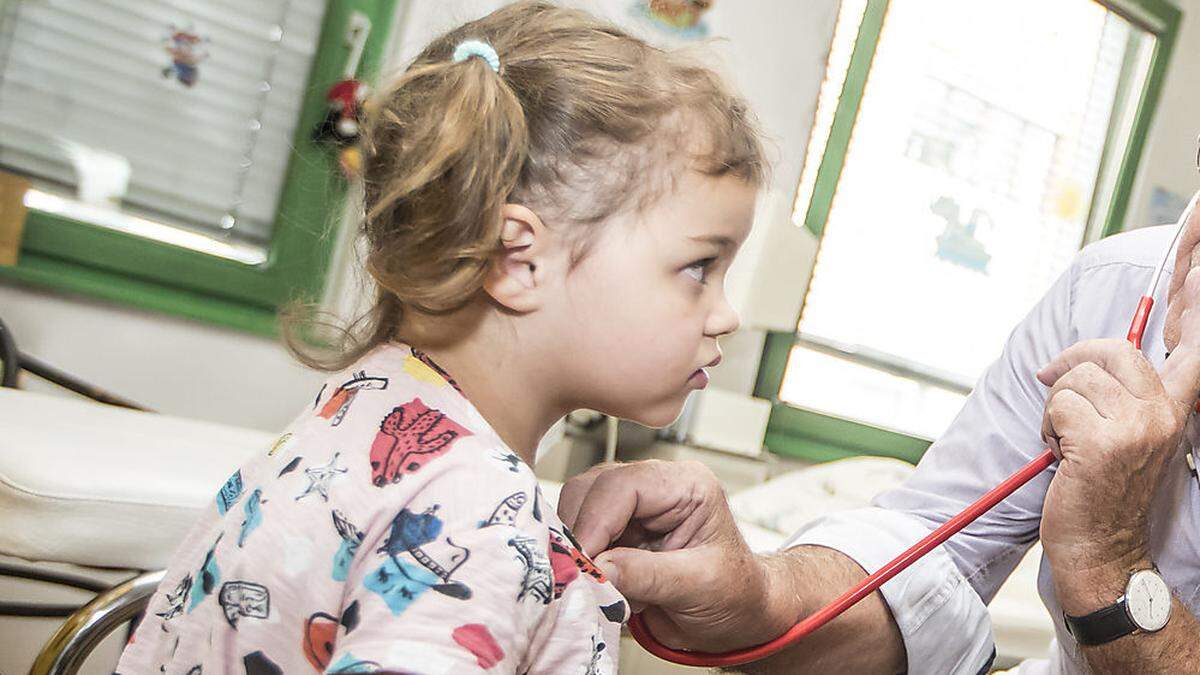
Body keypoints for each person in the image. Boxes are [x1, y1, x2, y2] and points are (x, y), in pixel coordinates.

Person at [116, 2, 766, 672]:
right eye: (699, 267)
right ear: (518, 262)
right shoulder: (476, 523)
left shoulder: (367, 403)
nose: (726, 315)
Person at [561, 194, 1200, 674]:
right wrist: (757, 595)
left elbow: (1098, 559)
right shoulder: (1111, 287)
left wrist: (1107, 561)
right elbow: (933, 554)